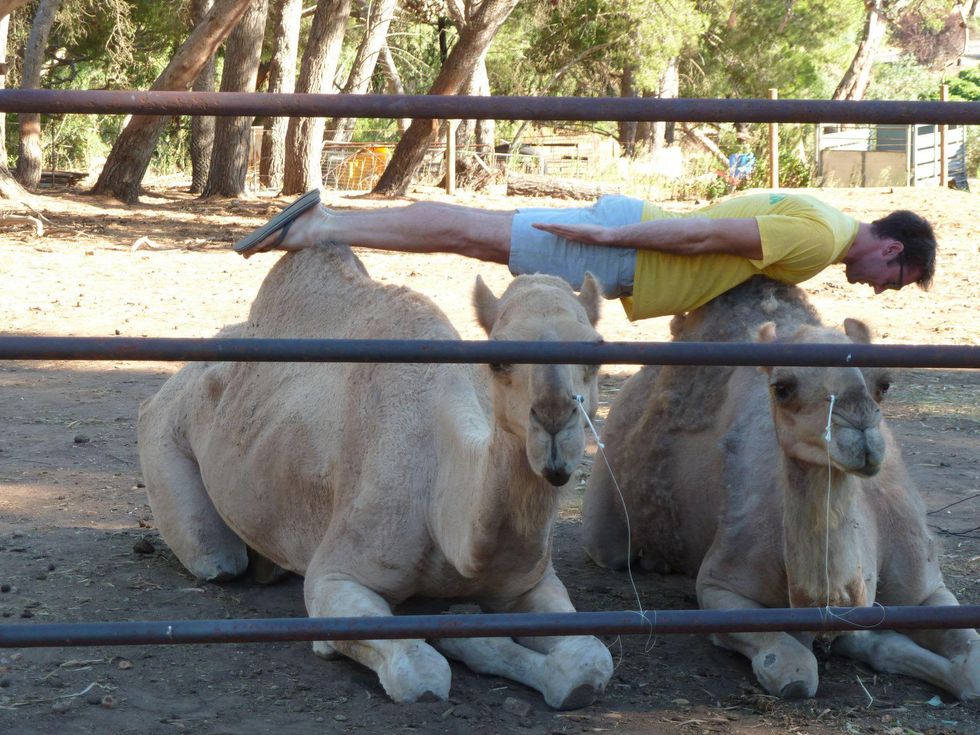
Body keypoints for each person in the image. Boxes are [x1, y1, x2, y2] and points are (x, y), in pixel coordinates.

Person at [233, 190, 936, 321]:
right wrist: (610, 239)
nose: (880, 290)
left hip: (634, 250)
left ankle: (333, 224)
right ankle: (327, 226)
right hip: (631, 250)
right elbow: (704, 236)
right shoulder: (820, 240)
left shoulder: (826, 218)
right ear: (891, 246)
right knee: (473, 233)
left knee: (477, 234)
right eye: (894, 279)